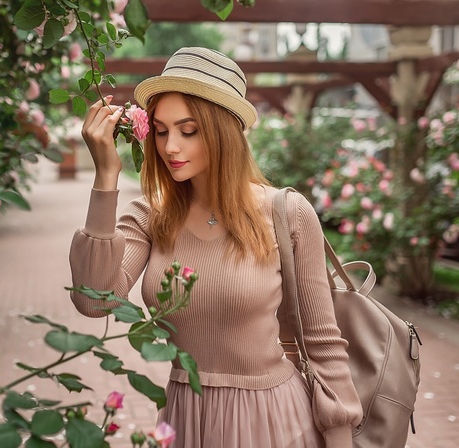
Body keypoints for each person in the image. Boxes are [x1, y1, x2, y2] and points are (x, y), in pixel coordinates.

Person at [69, 47, 362, 448]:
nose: (171, 146)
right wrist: (105, 176)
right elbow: (96, 301)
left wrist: (341, 439)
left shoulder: (287, 212)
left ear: (224, 132)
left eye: (189, 131)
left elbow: (324, 344)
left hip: (273, 423)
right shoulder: (151, 215)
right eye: (161, 130)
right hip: (185, 420)